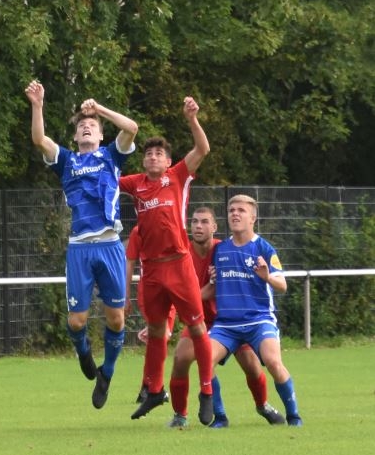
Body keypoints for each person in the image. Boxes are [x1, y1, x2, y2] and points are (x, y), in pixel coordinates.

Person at [25, 80, 138, 410]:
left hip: (110, 245)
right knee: (76, 322)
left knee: (116, 319)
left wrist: (98, 108)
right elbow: (39, 139)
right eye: (82, 126)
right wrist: (37, 105)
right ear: (75, 137)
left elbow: (132, 127)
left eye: (93, 126)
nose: (87, 127)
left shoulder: (112, 156)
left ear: (100, 135)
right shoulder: (66, 161)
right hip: (79, 248)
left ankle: (108, 373)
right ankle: (84, 353)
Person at [119, 96, 214, 426]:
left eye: (159, 153)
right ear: (143, 161)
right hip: (152, 270)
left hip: (178, 263)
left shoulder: (177, 175)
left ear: (169, 160)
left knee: (197, 327)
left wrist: (192, 120)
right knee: (157, 330)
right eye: (148, 153)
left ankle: (206, 391)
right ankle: (155, 390)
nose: (153, 156)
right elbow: (105, 178)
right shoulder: (136, 184)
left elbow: (203, 149)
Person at [168, 206, 285, 428]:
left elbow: (222, 285)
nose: (198, 226)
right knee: (181, 358)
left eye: (204, 222)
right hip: (199, 320)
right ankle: (182, 415)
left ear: (214, 227)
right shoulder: (183, 254)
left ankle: (262, 405)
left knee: (252, 367)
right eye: (194, 222)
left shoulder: (224, 249)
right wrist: (169, 317)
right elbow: (174, 290)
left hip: (230, 319)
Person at [205, 194, 303, 426]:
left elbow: (282, 285)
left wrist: (267, 276)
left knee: (273, 362)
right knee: (205, 361)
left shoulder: (263, 248)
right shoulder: (220, 249)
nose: (235, 214)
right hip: (226, 324)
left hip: (259, 320)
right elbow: (214, 286)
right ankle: (220, 417)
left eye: (241, 210)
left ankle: (294, 416)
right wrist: (210, 282)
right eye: (231, 210)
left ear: (253, 218)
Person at [125, 225, 177, 403]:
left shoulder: (173, 227)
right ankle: (154, 388)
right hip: (150, 291)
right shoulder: (139, 231)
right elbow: (129, 262)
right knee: (161, 337)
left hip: (172, 290)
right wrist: (126, 296)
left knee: (159, 340)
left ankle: (147, 388)